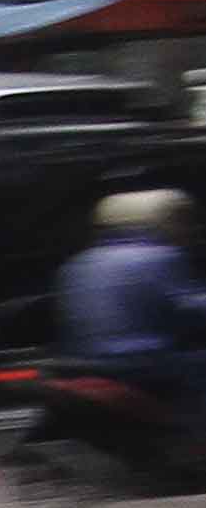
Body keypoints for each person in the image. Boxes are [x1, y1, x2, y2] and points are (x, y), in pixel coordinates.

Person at [57, 186, 206, 442]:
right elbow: (189, 307)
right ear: (162, 222)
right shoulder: (160, 256)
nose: (190, 229)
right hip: (143, 364)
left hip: (87, 361)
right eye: (182, 221)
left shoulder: (80, 262)